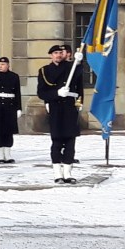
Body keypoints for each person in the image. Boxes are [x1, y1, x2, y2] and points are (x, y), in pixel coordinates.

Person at [37, 44, 84, 184]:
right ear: (51, 55)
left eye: (60, 52)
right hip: (56, 108)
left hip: (70, 107)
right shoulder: (45, 71)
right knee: (57, 141)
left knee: (70, 141)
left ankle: (68, 173)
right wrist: (56, 93)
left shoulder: (71, 67)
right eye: (55, 53)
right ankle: (58, 174)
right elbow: (41, 93)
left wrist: (79, 61)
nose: (58, 55)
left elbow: (79, 82)